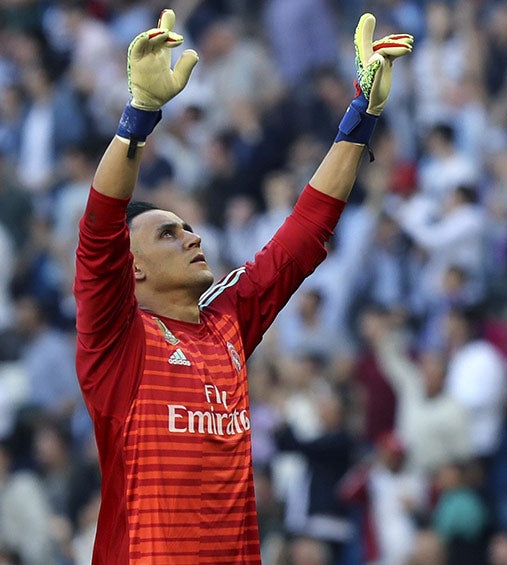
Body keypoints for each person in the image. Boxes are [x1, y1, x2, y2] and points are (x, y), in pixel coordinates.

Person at [72, 9, 412, 563]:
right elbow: (98, 225)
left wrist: (362, 116)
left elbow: (305, 233)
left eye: (187, 226)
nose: (190, 236)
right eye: (166, 233)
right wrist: (139, 116)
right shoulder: (115, 342)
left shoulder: (226, 321)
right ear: (129, 268)